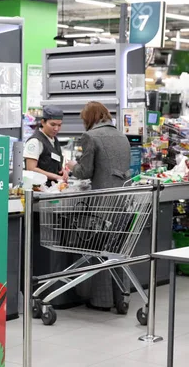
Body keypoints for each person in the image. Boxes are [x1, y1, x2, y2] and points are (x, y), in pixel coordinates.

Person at [66, 101, 132, 311]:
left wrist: (71, 166)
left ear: (90, 118)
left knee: (99, 248)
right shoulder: (122, 136)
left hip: (102, 202)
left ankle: (102, 301)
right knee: (117, 251)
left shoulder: (91, 137)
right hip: (123, 199)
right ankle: (121, 296)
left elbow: (84, 171)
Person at [24, 106, 68, 185]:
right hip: (38, 188)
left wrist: (62, 170)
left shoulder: (54, 140)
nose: (56, 128)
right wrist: (55, 177)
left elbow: (53, 161)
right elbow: (30, 168)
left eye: (59, 125)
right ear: (43, 122)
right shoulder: (35, 141)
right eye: (53, 124)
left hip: (52, 188)